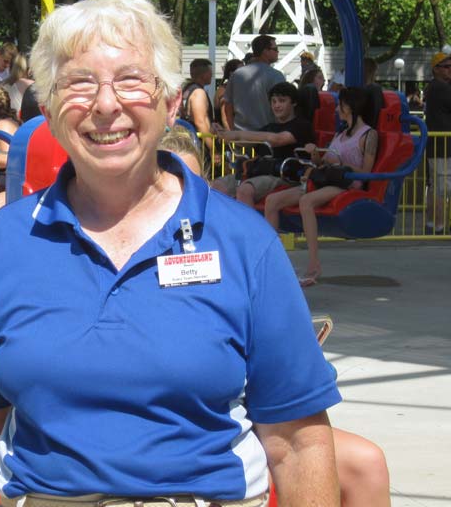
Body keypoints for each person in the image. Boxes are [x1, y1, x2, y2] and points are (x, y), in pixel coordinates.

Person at [0, 0, 341, 507]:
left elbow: (300, 441)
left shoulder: (245, 243)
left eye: (130, 80)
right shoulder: (5, 242)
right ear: (51, 109)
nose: (105, 104)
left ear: (170, 105)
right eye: (79, 83)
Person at [162, 125, 391, 507]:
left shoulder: (236, 245)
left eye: (193, 185)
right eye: (170, 184)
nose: (183, 200)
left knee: (366, 464)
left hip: (250, 407)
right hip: (190, 425)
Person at [264, 87, 378, 286]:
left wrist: (344, 165)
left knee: (306, 201)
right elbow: (323, 162)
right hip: (328, 177)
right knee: (272, 201)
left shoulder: (369, 135)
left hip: (347, 183)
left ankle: (314, 264)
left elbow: (366, 172)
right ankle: (273, 262)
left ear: (350, 106)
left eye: (339, 105)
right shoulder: (341, 133)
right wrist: (315, 154)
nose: (336, 110)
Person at [211, 82, 314, 208]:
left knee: (245, 190)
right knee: (217, 186)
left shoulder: (302, 125)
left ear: (294, 103)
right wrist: (223, 133)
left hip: (285, 175)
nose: (276, 105)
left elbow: (277, 139)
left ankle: (251, 227)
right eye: (273, 101)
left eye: (282, 101)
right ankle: (227, 225)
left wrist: (237, 134)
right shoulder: (269, 127)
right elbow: (246, 141)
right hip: (260, 171)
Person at [223, 34, 285, 131]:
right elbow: (283, 108)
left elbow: (228, 106)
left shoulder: (236, 75)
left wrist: (232, 129)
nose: (278, 52)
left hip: (241, 137)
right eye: (275, 49)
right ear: (265, 51)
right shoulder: (276, 76)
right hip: (266, 136)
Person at [424, 52, 451, 235]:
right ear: (436, 69)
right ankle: (438, 226)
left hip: (440, 146)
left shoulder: (436, 87)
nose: (450, 70)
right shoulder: (440, 88)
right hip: (442, 146)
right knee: (442, 187)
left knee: (437, 186)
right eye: (447, 67)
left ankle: (433, 224)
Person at [179, 58, 217, 170]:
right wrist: (213, 149)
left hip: (189, 142)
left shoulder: (186, 90)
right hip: (198, 146)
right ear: (204, 74)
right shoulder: (198, 93)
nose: (212, 76)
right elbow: (200, 122)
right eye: (211, 73)